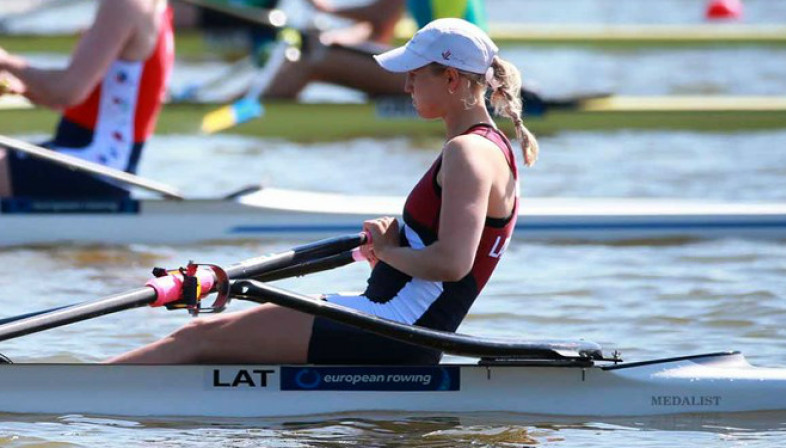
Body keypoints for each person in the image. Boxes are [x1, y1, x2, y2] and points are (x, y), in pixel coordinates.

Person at [108, 18, 538, 365]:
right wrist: (392, 251)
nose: (405, 86)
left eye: (413, 75)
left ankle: (63, 398)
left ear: (450, 79)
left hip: (392, 328)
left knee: (195, 339)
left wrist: (388, 251)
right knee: (214, 349)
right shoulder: (488, 146)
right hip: (394, 321)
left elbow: (452, 263)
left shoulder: (468, 152)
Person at [0, 0, 174, 199]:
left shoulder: (124, 5)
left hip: (92, 167)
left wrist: (5, 62)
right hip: (95, 162)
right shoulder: (152, 5)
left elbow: (66, 92)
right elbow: (64, 99)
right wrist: (21, 88)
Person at [263, 0, 490, 99]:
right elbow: (382, 29)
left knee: (312, 62)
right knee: (317, 55)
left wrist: (326, 8)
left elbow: (380, 17)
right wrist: (337, 39)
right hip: (446, 70)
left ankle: (254, 117)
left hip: (456, 76)